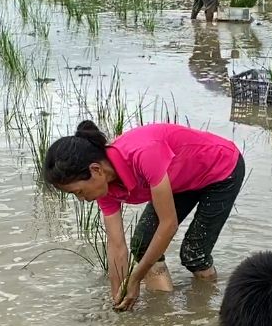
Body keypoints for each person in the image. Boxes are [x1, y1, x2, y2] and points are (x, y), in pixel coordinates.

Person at [43, 121, 245, 311]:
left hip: (221, 169)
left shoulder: (142, 153)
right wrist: (119, 295)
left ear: (95, 170)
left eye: (78, 191)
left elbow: (169, 225)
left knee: (194, 254)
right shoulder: (105, 187)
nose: (80, 199)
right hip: (180, 179)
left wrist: (135, 277)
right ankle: (166, 308)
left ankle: (209, 302)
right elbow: (116, 245)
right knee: (142, 243)